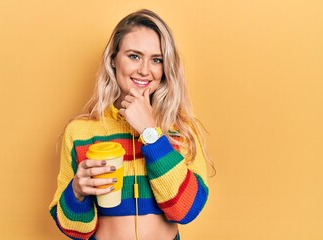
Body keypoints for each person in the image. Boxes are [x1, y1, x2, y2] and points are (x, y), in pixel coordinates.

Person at [49, 9, 211, 240]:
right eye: (134, 56)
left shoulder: (181, 129)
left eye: (157, 59)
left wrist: (150, 133)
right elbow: (74, 230)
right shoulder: (81, 132)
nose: (145, 70)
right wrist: (77, 192)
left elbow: (185, 210)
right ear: (113, 59)